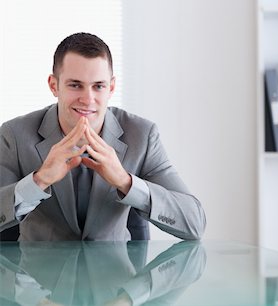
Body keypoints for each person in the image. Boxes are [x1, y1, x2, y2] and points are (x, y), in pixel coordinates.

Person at [0, 32, 206, 241]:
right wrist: (39, 179)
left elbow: (194, 223)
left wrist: (125, 183)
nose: (88, 99)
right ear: (54, 85)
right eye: (75, 85)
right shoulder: (15, 135)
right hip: (38, 272)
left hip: (114, 271)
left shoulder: (142, 136)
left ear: (112, 87)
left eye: (98, 86)